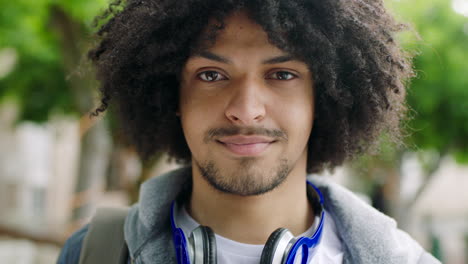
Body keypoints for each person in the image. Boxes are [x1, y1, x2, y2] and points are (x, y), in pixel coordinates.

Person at [57, 0, 441, 263]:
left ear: (321, 99)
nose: (245, 110)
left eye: (282, 75)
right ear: (171, 95)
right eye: (211, 75)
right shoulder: (93, 253)